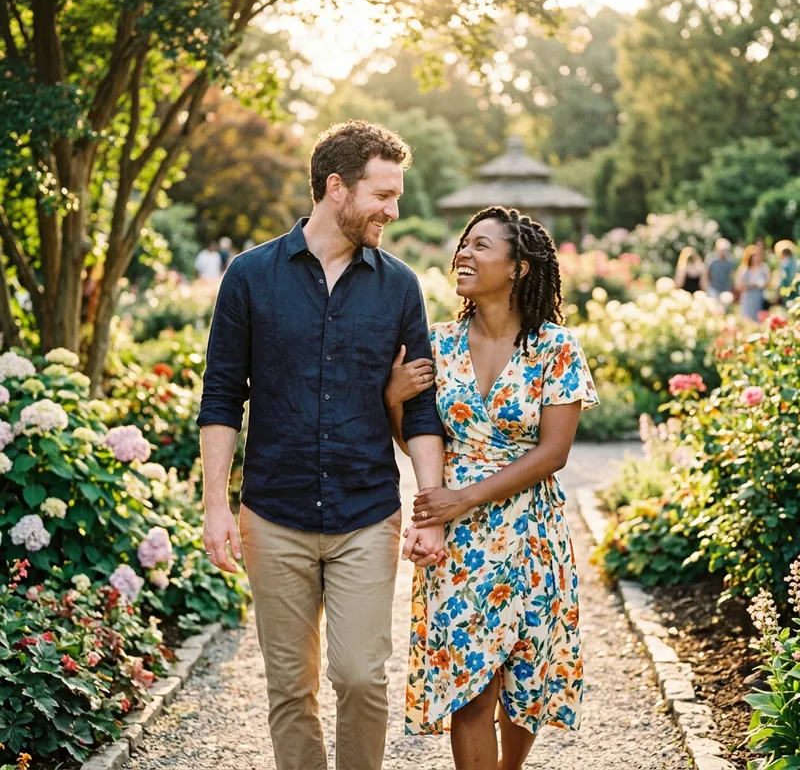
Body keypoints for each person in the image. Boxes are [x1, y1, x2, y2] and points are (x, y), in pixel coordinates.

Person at [197, 120, 447, 770]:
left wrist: (431, 503)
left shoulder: (399, 287)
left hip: (366, 513)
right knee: (289, 688)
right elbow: (223, 397)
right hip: (273, 515)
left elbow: (420, 408)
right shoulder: (250, 277)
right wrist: (216, 506)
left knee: (361, 675)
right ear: (336, 187)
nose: (393, 211)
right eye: (383, 195)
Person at [385, 206, 598, 770]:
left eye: (481, 246)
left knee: (523, 685)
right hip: (459, 544)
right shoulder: (439, 343)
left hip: (530, 534)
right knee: (469, 685)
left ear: (519, 267)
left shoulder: (556, 347)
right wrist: (392, 400)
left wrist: (464, 497)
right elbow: (419, 439)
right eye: (464, 243)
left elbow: (554, 452)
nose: (464, 254)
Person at [735, 244, 771, 321]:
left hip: (760, 297)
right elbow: (738, 285)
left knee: (759, 318)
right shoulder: (744, 269)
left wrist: (761, 284)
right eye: (753, 256)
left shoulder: (764, 268)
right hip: (747, 297)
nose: (755, 258)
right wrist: (749, 285)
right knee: (747, 318)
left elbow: (769, 282)